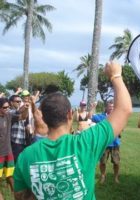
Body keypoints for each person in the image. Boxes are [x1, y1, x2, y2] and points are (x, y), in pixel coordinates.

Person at [13, 61, 132, 200]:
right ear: (70, 115)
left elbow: (20, 196)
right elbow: (124, 110)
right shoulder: (86, 142)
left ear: (44, 119)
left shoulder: (25, 156)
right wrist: (116, 75)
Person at [0, 97, 29, 194]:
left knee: (11, 175)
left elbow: (22, 117)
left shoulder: (8, 116)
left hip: (8, 152)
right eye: (4, 108)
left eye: (8, 107)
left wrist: (26, 108)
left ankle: (16, 195)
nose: (7, 109)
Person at [92, 99, 121, 184]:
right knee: (103, 162)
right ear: (106, 107)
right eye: (110, 106)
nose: (111, 108)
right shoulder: (101, 116)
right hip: (104, 144)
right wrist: (93, 107)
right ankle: (103, 176)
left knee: (116, 162)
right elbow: (91, 116)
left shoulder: (117, 116)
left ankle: (116, 177)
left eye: (113, 106)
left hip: (115, 144)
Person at [9, 95, 27, 162]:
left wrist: (26, 108)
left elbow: (24, 116)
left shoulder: (19, 111)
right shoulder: (10, 112)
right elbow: (19, 114)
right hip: (15, 141)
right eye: (17, 101)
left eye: (20, 101)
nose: (19, 103)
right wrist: (24, 107)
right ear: (11, 103)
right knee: (16, 161)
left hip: (22, 140)